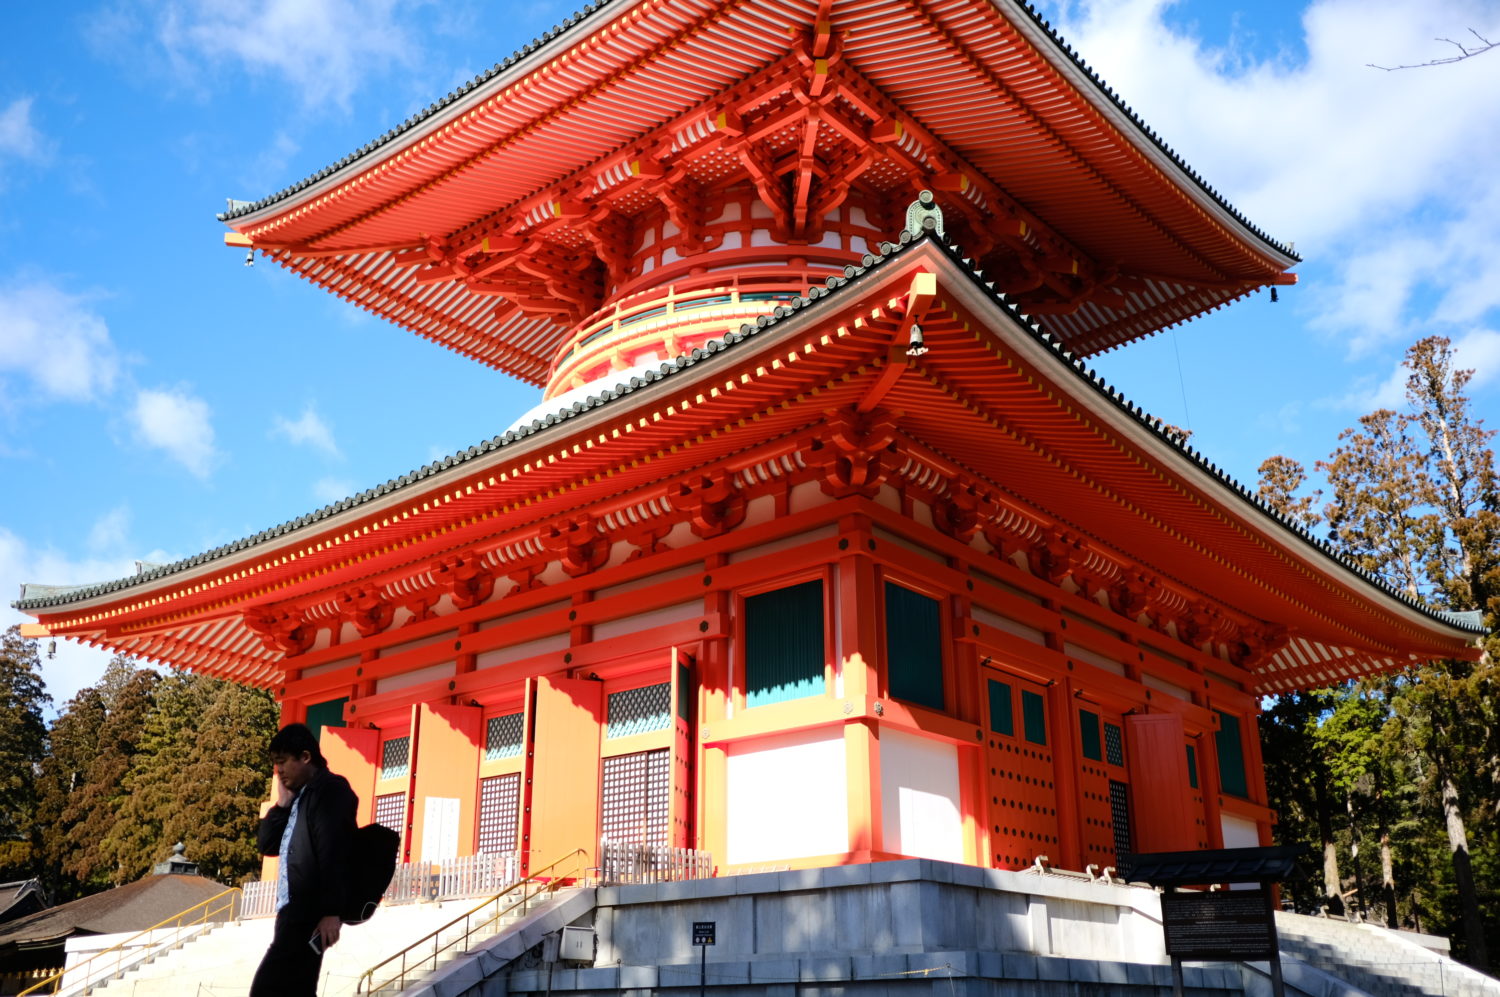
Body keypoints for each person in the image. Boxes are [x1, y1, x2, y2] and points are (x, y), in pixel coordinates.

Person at [250, 723, 359, 997]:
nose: (279, 771)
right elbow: (267, 845)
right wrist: (282, 803)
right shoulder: (299, 797)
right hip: (291, 910)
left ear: (306, 757)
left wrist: (332, 911)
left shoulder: (331, 791)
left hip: (311, 911)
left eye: (283, 762)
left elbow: (332, 851)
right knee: (294, 988)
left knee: (268, 988)